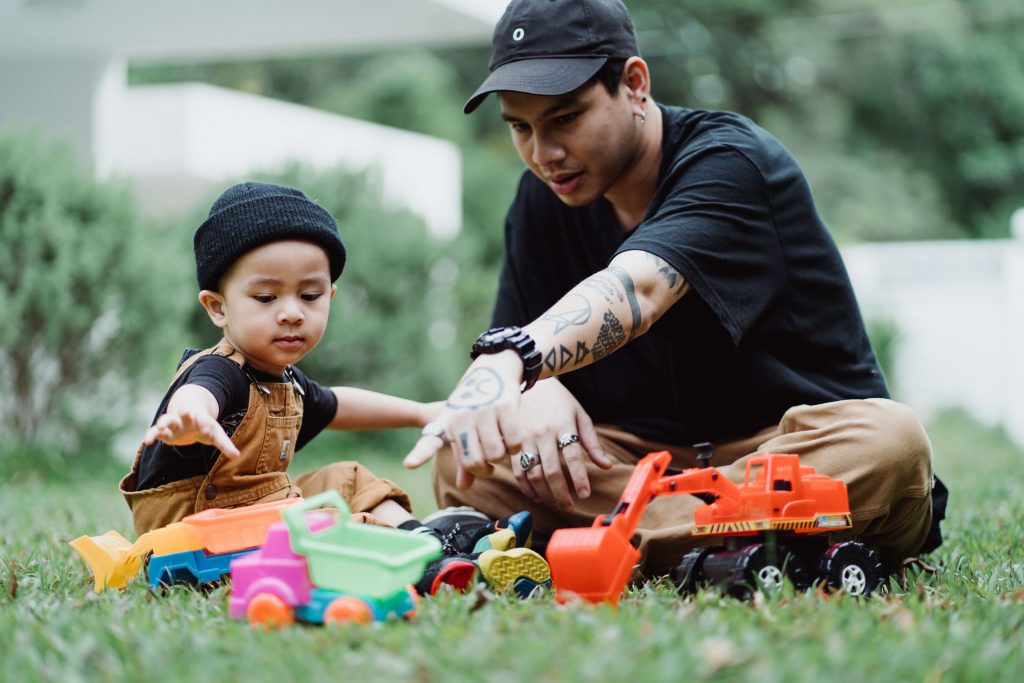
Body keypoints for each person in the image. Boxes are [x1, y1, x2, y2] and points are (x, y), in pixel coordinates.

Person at [405, 0, 946, 580]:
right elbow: (527, 357)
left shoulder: (730, 163)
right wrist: (537, 387)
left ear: (634, 85)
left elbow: (638, 289)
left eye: (565, 118)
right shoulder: (542, 198)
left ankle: (606, 544)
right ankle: (734, 546)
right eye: (521, 127)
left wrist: (519, 358)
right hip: (633, 466)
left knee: (891, 442)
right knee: (466, 456)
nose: (544, 153)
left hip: (778, 454)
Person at [119, 181, 550, 595]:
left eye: (310, 296)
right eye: (267, 298)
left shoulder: (282, 379)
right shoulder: (221, 373)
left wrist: (422, 411)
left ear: (331, 295)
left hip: (253, 520)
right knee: (328, 520)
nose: (291, 313)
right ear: (218, 308)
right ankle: (431, 563)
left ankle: (434, 541)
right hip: (194, 539)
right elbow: (200, 392)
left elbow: (337, 403)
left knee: (347, 479)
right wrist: (190, 418)